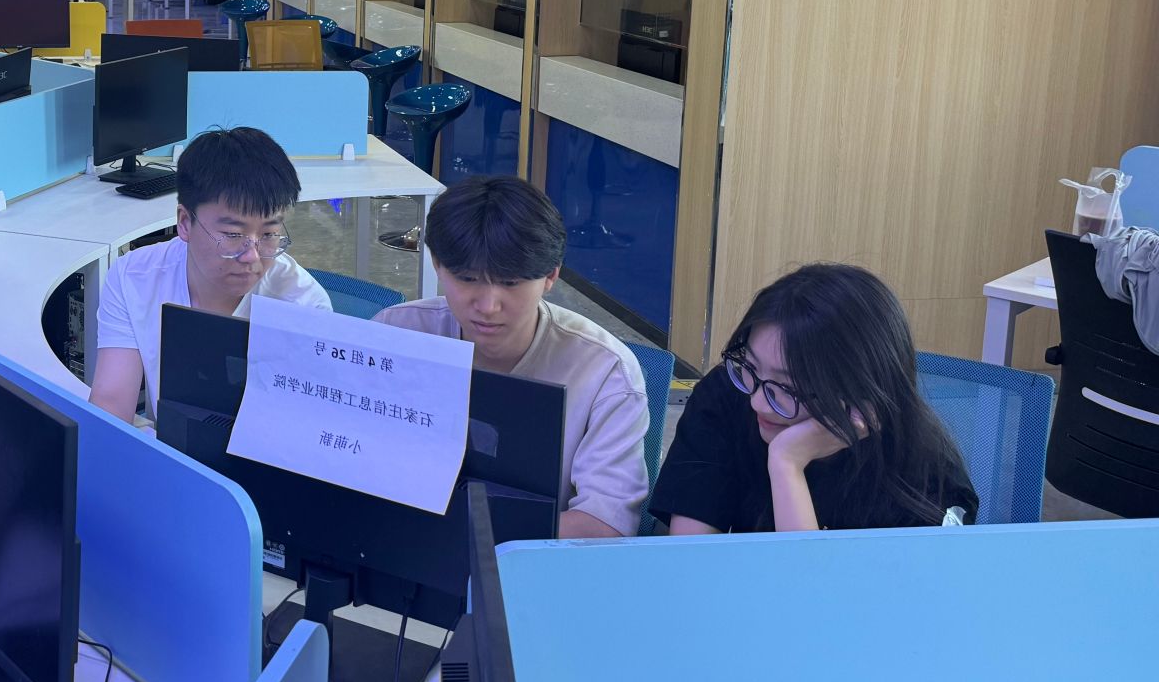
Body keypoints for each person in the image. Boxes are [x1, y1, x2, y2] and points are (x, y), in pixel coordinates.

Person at [373, 177, 649, 538]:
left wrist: (460, 540)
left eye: (511, 283)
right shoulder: (396, 335)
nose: (488, 306)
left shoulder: (604, 372)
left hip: (528, 565)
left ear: (550, 275)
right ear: (437, 264)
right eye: (467, 278)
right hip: (398, 549)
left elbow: (604, 524)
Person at [650, 264, 977, 533]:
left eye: (789, 389)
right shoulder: (728, 394)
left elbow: (807, 584)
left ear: (862, 392)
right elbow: (689, 556)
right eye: (750, 365)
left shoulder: (928, 482)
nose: (758, 402)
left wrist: (786, 463)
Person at [90, 127, 330, 424]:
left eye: (269, 234)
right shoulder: (134, 277)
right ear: (184, 223)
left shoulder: (304, 305)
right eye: (233, 234)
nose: (252, 257)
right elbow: (110, 405)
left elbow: (300, 429)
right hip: (165, 450)